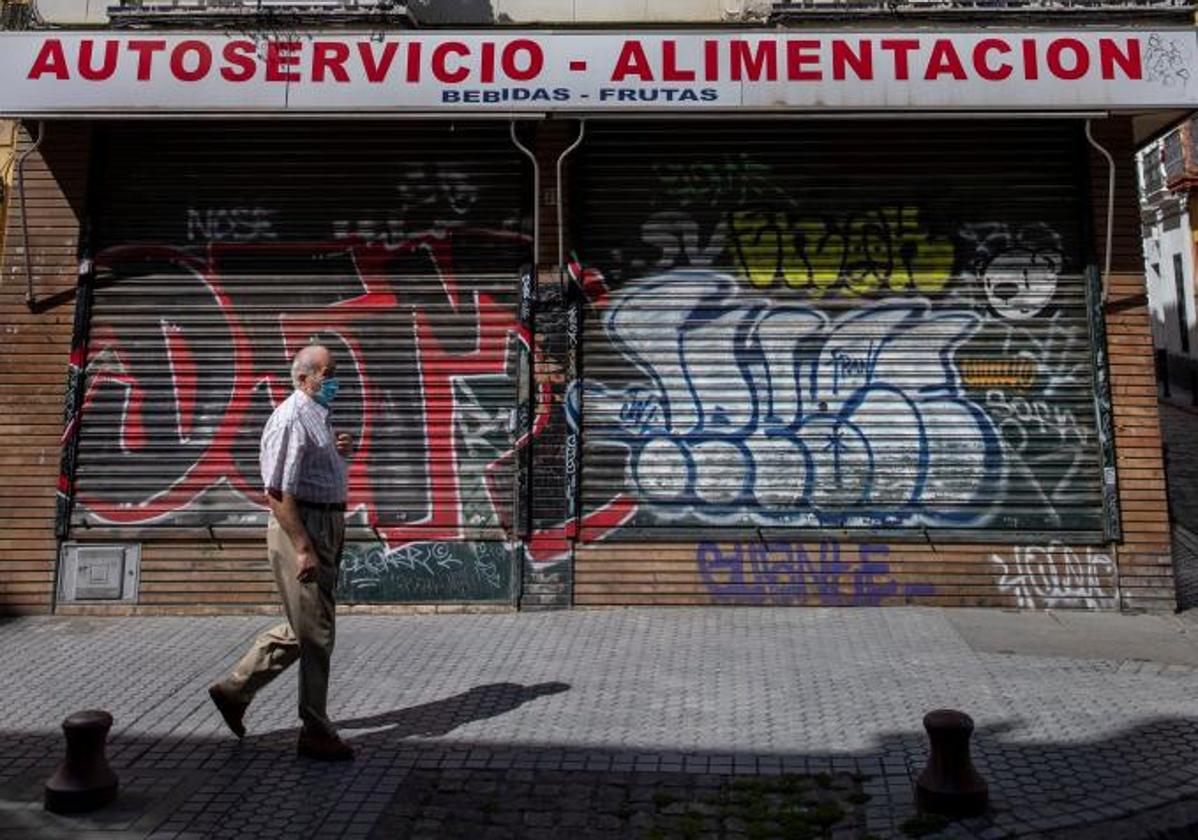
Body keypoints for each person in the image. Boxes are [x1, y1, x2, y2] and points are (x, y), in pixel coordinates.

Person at [208, 344, 355, 761]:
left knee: (304, 625)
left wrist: (337, 450)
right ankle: (315, 728)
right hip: (303, 528)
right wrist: (304, 546)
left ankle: (234, 691)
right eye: (329, 372)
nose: (335, 379)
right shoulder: (290, 417)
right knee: (317, 633)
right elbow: (277, 491)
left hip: (324, 523)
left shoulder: (317, 415)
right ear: (304, 377)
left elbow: (310, 472)